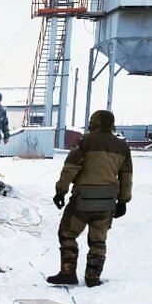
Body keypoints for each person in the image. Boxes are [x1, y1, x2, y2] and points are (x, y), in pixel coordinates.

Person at [47, 110, 133, 287]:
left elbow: (70, 168)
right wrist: (123, 201)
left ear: (93, 122)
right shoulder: (122, 147)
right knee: (98, 239)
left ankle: (68, 272)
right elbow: (126, 176)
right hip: (107, 201)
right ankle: (93, 278)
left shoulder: (85, 142)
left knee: (67, 233)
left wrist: (60, 191)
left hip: (83, 199)